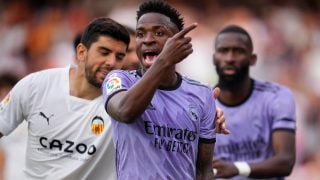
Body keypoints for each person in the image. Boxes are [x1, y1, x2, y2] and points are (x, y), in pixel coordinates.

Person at [0, 17, 130, 180]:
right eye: (104, 52)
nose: (111, 62)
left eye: (119, 57)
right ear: (81, 52)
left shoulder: (124, 103)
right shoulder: (36, 85)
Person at [103, 1, 217, 179]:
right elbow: (125, 112)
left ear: (178, 42)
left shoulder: (202, 94)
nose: (148, 40)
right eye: (140, 34)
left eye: (159, 32)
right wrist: (163, 61)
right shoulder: (120, 79)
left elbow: (204, 170)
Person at [212, 25, 296, 179]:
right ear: (214, 58)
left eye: (239, 51)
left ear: (253, 59)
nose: (230, 58)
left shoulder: (277, 97)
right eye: (223, 51)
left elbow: (286, 161)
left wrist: (237, 168)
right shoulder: (202, 103)